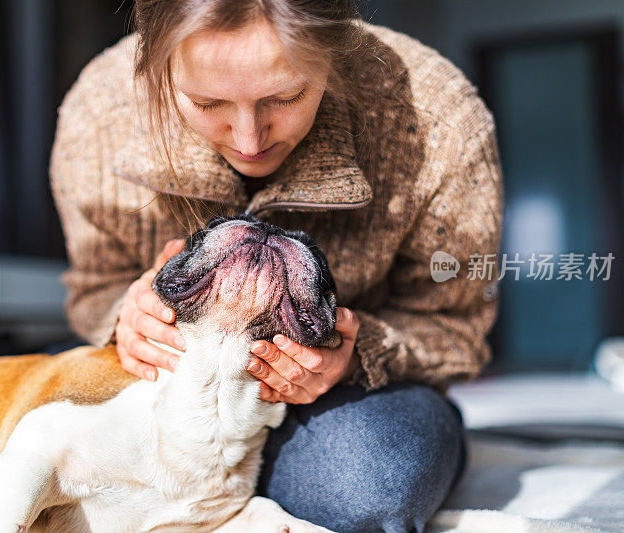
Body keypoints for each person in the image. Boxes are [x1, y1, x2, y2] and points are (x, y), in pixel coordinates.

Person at [49, 1, 503, 531]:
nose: (249, 139)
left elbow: (457, 331)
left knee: (367, 481)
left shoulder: (439, 120)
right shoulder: (100, 113)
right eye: (207, 102)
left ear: (334, 57)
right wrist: (124, 319)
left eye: (285, 98)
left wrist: (362, 352)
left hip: (347, 399)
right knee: (29, 432)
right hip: (166, 384)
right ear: (157, 68)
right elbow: (93, 291)